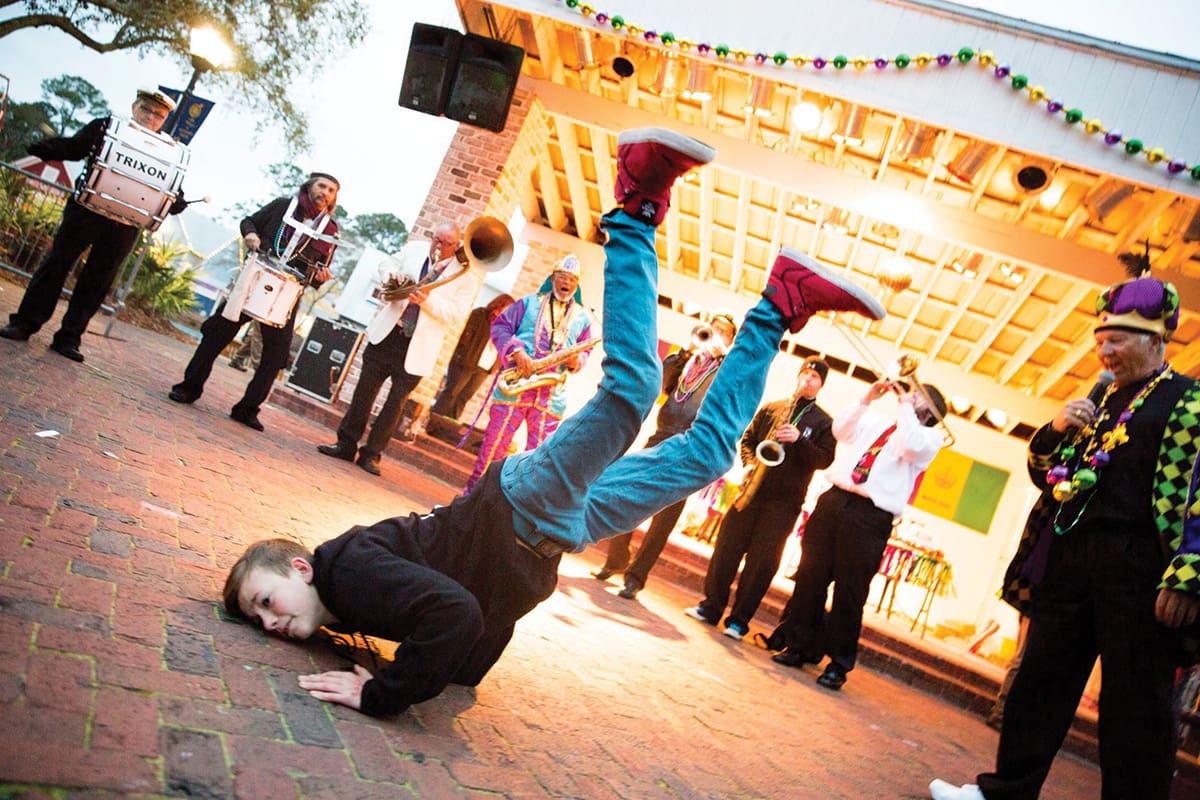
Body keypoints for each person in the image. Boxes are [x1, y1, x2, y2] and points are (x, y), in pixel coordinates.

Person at [221, 127, 886, 718]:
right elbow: (470, 652)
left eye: (264, 600)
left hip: (526, 505)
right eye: (258, 619)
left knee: (632, 392)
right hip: (554, 527)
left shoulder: (347, 575)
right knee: (709, 456)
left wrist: (383, 692)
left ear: (300, 567)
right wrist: (432, 659)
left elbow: (455, 616)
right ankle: (780, 303)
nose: (267, 622)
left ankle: (637, 202)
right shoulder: (348, 601)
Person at [930, 266, 1200, 800]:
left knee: (1135, 708)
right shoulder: (1099, 401)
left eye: (1117, 340)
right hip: (1072, 558)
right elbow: (1046, 476)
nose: (1104, 351)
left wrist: (1189, 573)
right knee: (1038, 684)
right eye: (1100, 340)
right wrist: (1055, 430)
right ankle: (1004, 792)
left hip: (1141, 569)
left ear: (1155, 340)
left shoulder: (1189, 401)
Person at [769, 377, 947, 690]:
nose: (910, 395)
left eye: (918, 395)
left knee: (850, 592)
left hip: (870, 515)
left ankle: (838, 664)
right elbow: (841, 430)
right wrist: (866, 398)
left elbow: (910, 445)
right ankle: (799, 645)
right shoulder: (879, 420)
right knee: (810, 577)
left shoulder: (929, 439)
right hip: (835, 499)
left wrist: (905, 406)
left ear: (931, 410)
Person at [0, 87, 184, 362]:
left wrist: (177, 201)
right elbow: (75, 148)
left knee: (97, 282)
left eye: (158, 115)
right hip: (86, 211)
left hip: (125, 224)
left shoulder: (168, 151)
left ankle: (69, 337)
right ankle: (24, 324)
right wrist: (45, 148)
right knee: (55, 266)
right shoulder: (107, 127)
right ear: (134, 107)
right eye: (146, 109)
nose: (150, 117)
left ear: (164, 120)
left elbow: (170, 185)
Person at [168, 173, 340, 431]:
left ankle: (247, 410)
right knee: (217, 333)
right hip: (255, 279)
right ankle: (188, 388)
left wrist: (320, 278)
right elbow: (249, 221)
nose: (325, 192)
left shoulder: (330, 230)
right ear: (309, 187)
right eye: (322, 186)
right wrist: (250, 235)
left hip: (287, 295)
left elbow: (317, 272)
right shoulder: (283, 206)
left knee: (276, 355)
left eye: (331, 190)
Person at [683, 357, 836, 639]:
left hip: (784, 503)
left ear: (821, 384)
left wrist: (800, 440)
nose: (808, 378)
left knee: (761, 563)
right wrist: (750, 462)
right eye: (805, 372)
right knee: (726, 550)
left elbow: (825, 459)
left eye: (814, 376)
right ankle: (710, 607)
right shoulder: (773, 408)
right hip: (751, 491)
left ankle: (738, 622)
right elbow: (748, 439)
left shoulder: (824, 422)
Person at [591, 312, 738, 599]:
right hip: (662, 433)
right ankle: (616, 559)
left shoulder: (726, 370)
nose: (716, 334)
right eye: (714, 328)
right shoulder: (688, 359)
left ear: (730, 341)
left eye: (724, 332)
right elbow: (663, 382)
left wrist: (724, 359)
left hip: (691, 444)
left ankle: (636, 577)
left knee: (664, 518)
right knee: (629, 493)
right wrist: (686, 352)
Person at [316, 222, 479, 475]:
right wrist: (393, 276)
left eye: (446, 243)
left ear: (456, 245)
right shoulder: (415, 249)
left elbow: (456, 314)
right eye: (436, 239)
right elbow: (387, 263)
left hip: (417, 347)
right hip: (388, 334)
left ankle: (372, 455)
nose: (438, 246)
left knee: (396, 404)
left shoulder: (466, 277)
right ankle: (345, 444)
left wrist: (428, 301)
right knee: (363, 394)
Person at [462, 256, 595, 493]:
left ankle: (516, 504)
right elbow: (501, 327)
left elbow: (586, 349)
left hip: (551, 395)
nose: (566, 282)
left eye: (572, 279)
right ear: (552, 278)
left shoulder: (583, 317)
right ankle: (474, 498)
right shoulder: (528, 303)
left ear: (577, 285)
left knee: (539, 458)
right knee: (493, 447)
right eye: (562, 277)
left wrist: (577, 361)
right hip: (516, 386)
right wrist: (516, 351)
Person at [429, 292, 516, 423]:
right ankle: (433, 423)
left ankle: (447, 427)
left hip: (485, 367)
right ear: (499, 305)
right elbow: (465, 336)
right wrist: (462, 354)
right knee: (451, 393)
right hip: (466, 361)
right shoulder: (480, 315)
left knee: (463, 398)